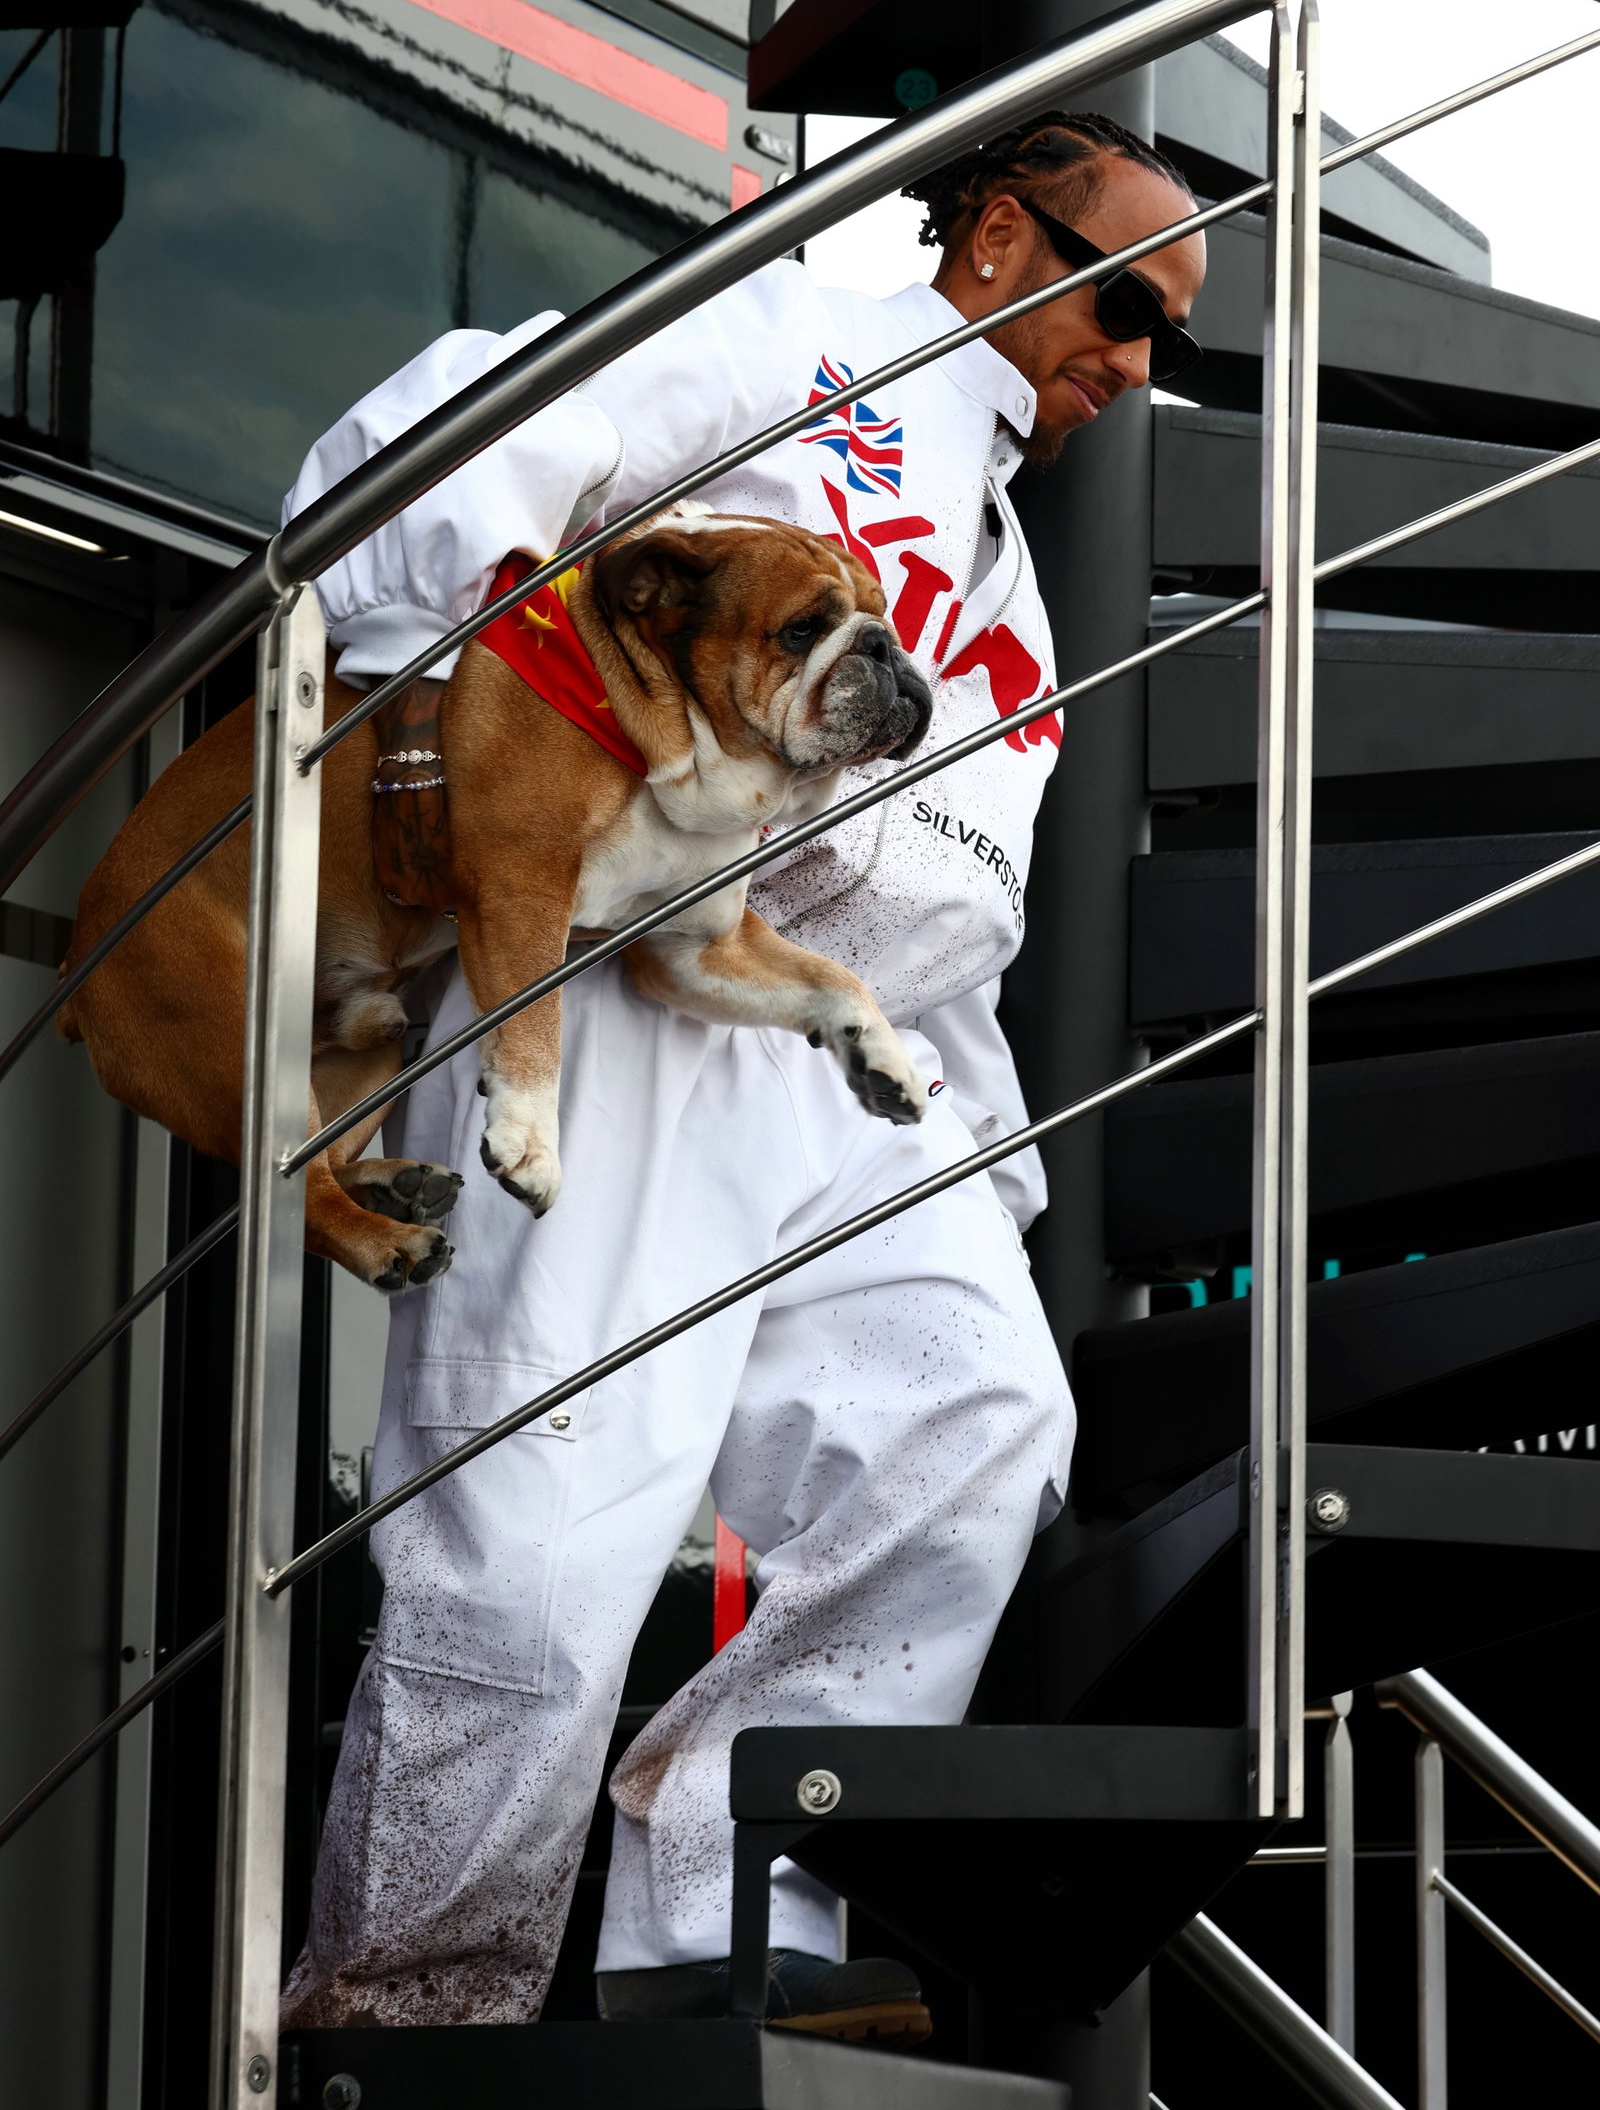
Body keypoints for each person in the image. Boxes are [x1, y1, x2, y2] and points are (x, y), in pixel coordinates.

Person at [279, 111, 1207, 2034]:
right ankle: (404, 2020)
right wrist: (419, 703)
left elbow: (954, 929)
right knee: (543, 1525)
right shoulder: (791, 335)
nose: (1141, 360)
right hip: (615, 993)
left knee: (972, 1424)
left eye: (1171, 337)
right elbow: (475, 423)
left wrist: (984, 1170)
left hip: (831, 1055)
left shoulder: (1013, 587)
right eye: (1127, 303)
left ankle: (720, 1930)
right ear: (1001, 236)